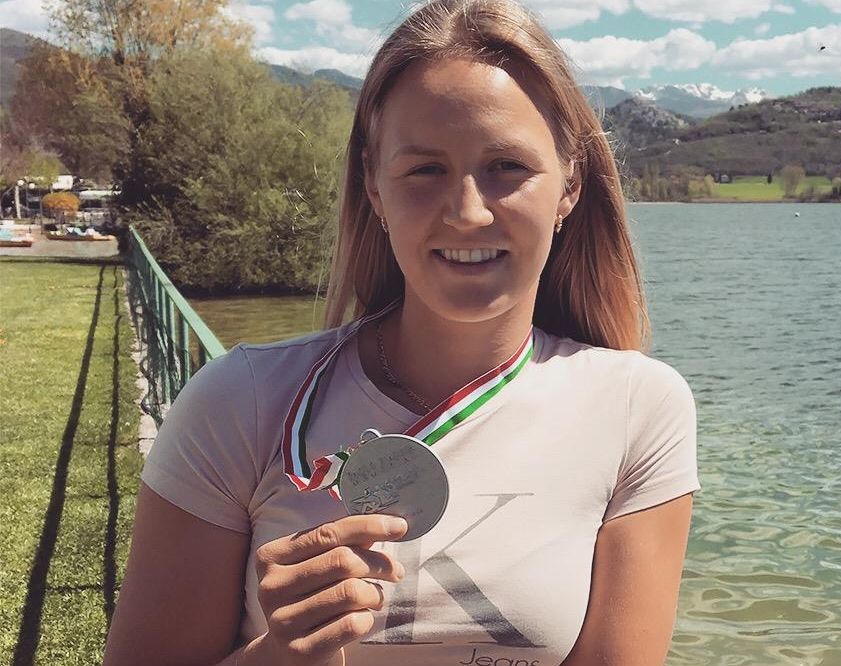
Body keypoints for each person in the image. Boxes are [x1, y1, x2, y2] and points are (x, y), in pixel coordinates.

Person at [103, 1, 699, 664]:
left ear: (569, 183)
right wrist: (276, 657)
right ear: (374, 185)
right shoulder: (237, 401)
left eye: (507, 166)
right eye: (424, 170)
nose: (467, 213)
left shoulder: (637, 408)